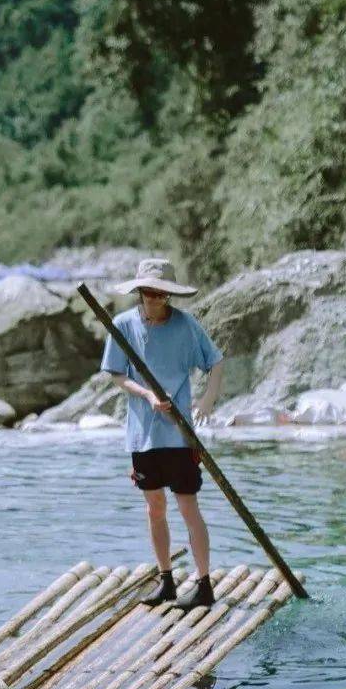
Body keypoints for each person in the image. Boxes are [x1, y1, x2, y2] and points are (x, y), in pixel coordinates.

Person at [102, 257, 224, 609]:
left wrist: (208, 400)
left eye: (161, 294)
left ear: (169, 296)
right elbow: (117, 374)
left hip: (179, 434)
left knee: (188, 506)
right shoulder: (123, 325)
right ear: (140, 293)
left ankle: (203, 584)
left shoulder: (186, 326)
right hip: (143, 435)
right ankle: (166, 579)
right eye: (148, 293)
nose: (154, 300)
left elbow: (215, 360)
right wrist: (146, 395)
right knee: (154, 507)